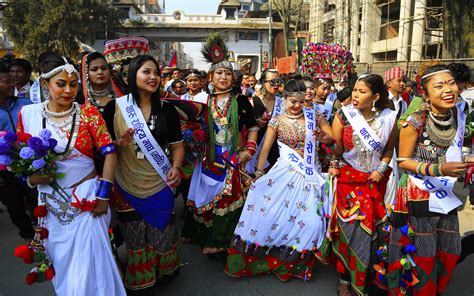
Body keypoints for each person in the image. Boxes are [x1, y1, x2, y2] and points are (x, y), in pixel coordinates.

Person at [17, 54, 125, 295]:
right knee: (63, 263)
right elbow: (20, 164)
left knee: (91, 263)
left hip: (87, 200)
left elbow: (110, 153)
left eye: (73, 84)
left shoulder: (88, 113)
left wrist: (104, 195)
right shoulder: (29, 115)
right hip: (51, 207)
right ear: (45, 84)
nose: (68, 90)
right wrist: (33, 180)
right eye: (61, 84)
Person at [226, 78, 332, 281]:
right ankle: (270, 261)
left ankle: (296, 266)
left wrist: (323, 137)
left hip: (309, 173)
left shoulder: (314, 116)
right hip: (285, 171)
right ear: (285, 99)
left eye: (301, 101)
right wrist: (258, 173)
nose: (297, 106)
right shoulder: (277, 121)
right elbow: (265, 149)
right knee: (273, 216)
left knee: (310, 221)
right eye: (293, 101)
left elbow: (330, 137)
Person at [103, 55, 184, 294]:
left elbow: (178, 145)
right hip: (126, 184)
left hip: (160, 182)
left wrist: (176, 167)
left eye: (156, 73)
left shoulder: (167, 110)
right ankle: (142, 277)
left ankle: (166, 269)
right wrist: (119, 143)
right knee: (135, 236)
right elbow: (104, 148)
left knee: (162, 233)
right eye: (146, 72)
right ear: (132, 76)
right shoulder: (115, 107)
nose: (153, 77)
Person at [387, 65, 471, 295]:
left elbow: (456, 148)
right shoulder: (414, 121)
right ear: (425, 93)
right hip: (418, 191)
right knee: (422, 253)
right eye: (439, 86)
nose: (448, 89)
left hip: (445, 191)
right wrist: (439, 167)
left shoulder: (457, 115)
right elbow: (403, 160)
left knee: (450, 249)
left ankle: (434, 289)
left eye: (451, 83)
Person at [323, 74, 398, 296]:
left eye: (362, 92)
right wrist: (333, 161)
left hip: (375, 180)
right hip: (349, 180)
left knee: (374, 228)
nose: (355, 95)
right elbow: (336, 150)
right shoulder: (344, 115)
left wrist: (381, 170)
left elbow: (388, 150)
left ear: (375, 96)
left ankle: (369, 272)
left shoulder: (389, 118)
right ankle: (346, 276)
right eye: (354, 90)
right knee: (351, 229)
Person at [187, 33, 258, 255]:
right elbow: (197, 129)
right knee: (206, 198)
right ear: (210, 77)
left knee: (228, 199)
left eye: (228, 73)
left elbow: (253, 128)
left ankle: (220, 242)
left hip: (233, 158)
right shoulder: (203, 102)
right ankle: (205, 236)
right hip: (209, 159)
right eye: (219, 73)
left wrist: (249, 149)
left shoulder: (241, 101)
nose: (224, 77)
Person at [0, 60, 35, 239]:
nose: (12, 84)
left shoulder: (25, 103)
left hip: (31, 164)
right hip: (5, 171)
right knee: (15, 208)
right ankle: (30, 240)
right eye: (7, 81)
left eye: (12, 81)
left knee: (37, 203)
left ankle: (44, 238)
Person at [245, 69, 284, 175]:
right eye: (272, 82)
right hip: (254, 148)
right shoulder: (251, 102)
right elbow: (243, 127)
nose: (276, 85)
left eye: (278, 81)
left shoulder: (283, 103)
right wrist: (255, 123)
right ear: (263, 82)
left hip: (275, 152)